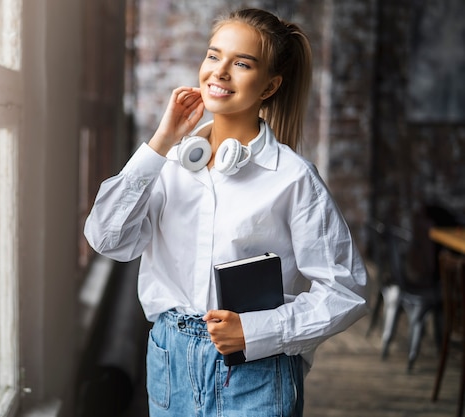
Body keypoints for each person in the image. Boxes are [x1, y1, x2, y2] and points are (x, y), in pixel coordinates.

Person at [84, 7, 368, 417]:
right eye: (214, 56)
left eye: (242, 63)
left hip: (257, 372)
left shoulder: (293, 177)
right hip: (170, 362)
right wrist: (161, 142)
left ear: (269, 86)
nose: (220, 72)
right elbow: (106, 238)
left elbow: (346, 290)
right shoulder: (169, 164)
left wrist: (254, 331)